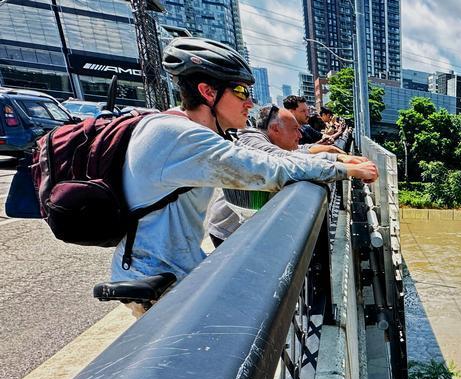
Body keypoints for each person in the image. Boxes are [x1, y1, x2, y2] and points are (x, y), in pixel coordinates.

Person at [112, 37, 378, 294]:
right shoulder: (181, 136)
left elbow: (274, 159)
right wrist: (344, 170)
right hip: (157, 277)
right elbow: (268, 169)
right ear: (207, 92)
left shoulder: (189, 130)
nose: (249, 102)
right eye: (241, 92)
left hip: (175, 266)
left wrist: (334, 158)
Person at [206, 105, 368, 245]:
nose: (300, 135)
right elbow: (285, 160)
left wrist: (335, 155)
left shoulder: (270, 140)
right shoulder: (251, 141)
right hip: (230, 232)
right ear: (275, 129)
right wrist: (344, 169)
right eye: (294, 130)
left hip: (250, 227)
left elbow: (301, 150)